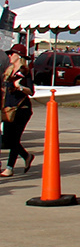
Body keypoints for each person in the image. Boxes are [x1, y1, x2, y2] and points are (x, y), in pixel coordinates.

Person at [1, 44, 36, 176]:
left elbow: (31, 91)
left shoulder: (25, 71)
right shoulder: (7, 70)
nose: (9, 56)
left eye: (12, 54)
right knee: (8, 140)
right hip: (9, 109)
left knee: (15, 139)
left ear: (18, 56)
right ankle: (26, 156)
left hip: (22, 109)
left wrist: (20, 87)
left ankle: (9, 167)